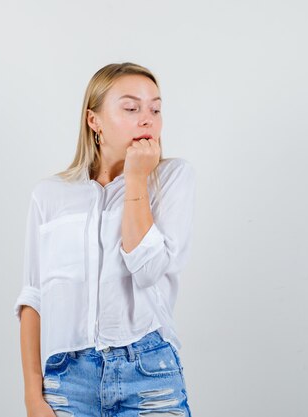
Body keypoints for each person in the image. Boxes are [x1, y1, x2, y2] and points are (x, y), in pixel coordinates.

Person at [13, 62, 195, 417]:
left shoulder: (172, 178)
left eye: (155, 109)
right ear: (94, 120)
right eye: (131, 108)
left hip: (148, 372)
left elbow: (147, 270)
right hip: (67, 381)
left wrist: (137, 178)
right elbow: (33, 297)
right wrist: (33, 397)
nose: (147, 119)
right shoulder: (50, 195)